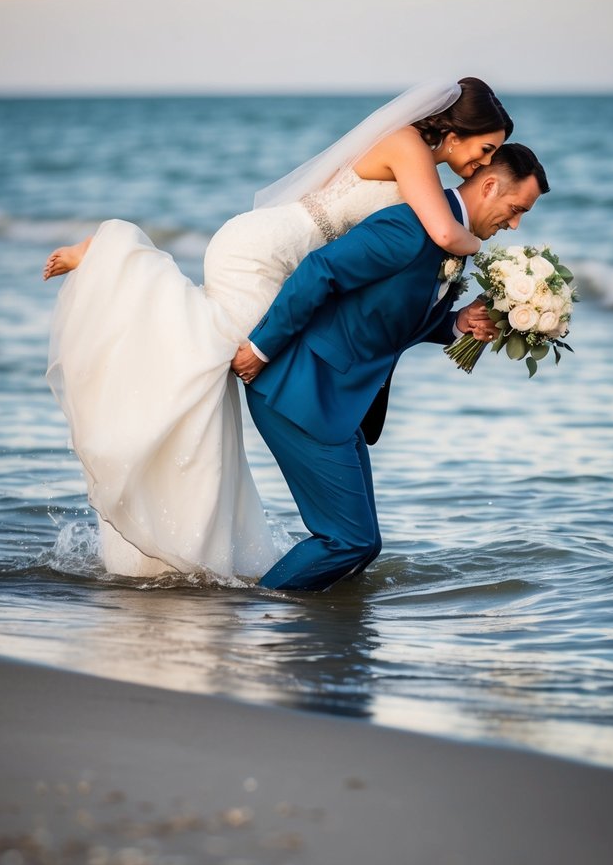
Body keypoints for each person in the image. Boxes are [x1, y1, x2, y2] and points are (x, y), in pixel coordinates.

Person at [43, 79, 512, 581]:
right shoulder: (409, 146)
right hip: (266, 254)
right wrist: (509, 274)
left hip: (283, 259)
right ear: (458, 129)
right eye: (486, 150)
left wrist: (456, 316)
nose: (485, 165)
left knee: (211, 361)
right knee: (220, 351)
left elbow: (404, 271)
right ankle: (113, 254)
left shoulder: (421, 162)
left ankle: (203, 544)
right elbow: (444, 234)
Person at [232, 144, 549, 592]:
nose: (515, 223)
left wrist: (457, 322)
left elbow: (392, 320)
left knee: (365, 545)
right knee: (347, 540)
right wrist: (261, 348)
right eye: (516, 209)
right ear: (491, 185)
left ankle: (328, 644)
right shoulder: (409, 226)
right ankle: (253, 611)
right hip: (299, 388)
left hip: (339, 401)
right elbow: (320, 270)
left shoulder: (450, 242)